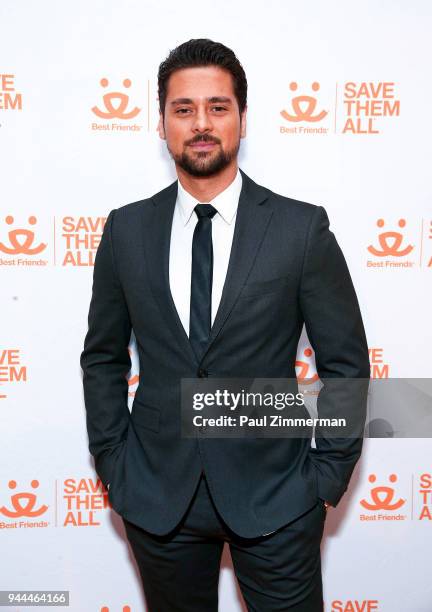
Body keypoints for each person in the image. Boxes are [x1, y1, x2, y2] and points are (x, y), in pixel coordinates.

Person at [80, 38, 370, 611]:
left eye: (218, 107)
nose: (201, 124)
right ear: (161, 123)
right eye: (183, 109)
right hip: (158, 495)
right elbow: (103, 357)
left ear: (243, 118)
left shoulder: (300, 229)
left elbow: (346, 362)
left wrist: (325, 477)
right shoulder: (126, 231)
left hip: (279, 495)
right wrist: (114, 462)